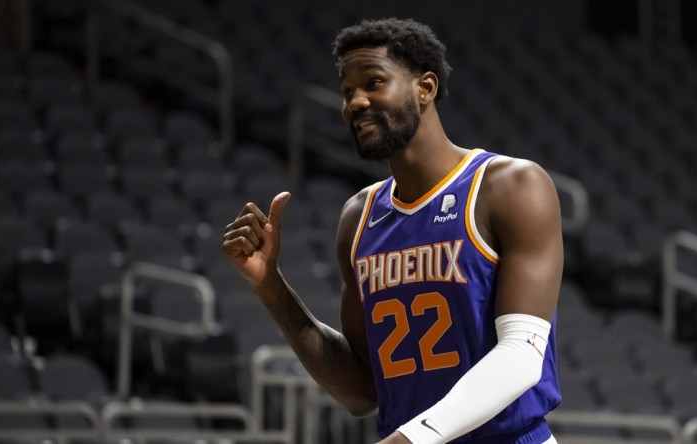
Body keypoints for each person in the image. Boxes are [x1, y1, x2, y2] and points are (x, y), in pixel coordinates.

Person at [222, 18, 563, 444]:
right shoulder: (358, 217)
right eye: (348, 91)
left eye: (373, 82)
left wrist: (410, 439)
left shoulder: (510, 186)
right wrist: (270, 287)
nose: (355, 102)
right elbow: (363, 391)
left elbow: (521, 357)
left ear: (426, 88)